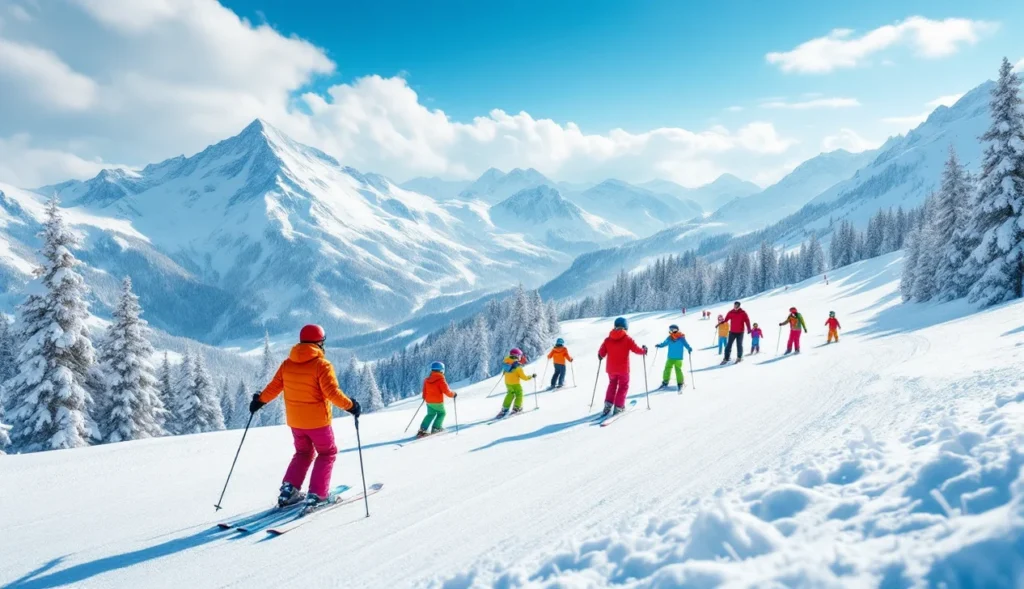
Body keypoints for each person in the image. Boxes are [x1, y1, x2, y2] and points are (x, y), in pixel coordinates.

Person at [250, 324, 361, 509]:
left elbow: (274, 387)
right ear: (319, 342)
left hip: (296, 422)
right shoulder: (322, 365)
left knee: (303, 453)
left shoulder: (287, 364)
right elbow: (332, 393)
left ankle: (289, 490)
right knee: (327, 453)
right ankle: (318, 494)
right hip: (318, 422)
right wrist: (352, 406)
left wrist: (259, 401)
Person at [597, 317, 647, 416]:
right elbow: (636, 350)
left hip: (611, 370)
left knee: (612, 385)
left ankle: (607, 405)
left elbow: (601, 353)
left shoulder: (608, 339)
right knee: (623, 386)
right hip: (623, 369)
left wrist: (600, 355)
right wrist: (644, 350)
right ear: (625, 327)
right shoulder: (627, 339)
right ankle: (619, 407)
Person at [418, 361, 456, 437]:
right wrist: (453, 394)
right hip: (437, 402)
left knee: (430, 414)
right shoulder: (441, 380)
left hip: (429, 401)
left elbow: (424, 390)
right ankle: (436, 428)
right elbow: (447, 391)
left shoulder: (427, 380)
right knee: (442, 413)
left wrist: (424, 397)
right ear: (442, 370)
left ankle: (422, 430)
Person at [496, 348, 535, 418]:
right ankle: (517, 408)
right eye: (519, 356)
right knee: (519, 394)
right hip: (515, 384)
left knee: (510, 394)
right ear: (516, 356)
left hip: (508, 383)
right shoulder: (518, 368)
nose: (520, 357)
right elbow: (524, 378)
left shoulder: (506, 360)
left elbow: (506, 368)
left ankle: (505, 408)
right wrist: (531, 376)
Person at [655, 324, 692, 390]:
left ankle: (679, 382)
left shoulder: (680, 338)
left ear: (674, 330)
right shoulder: (671, 338)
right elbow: (664, 343)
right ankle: (666, 381)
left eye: (670, 330)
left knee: (676, 369)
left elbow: (686, 344)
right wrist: (660, 345)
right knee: (668, 369)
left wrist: (689, 348)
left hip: (677, 358)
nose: (670, 331)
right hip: (671, 357)